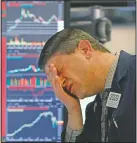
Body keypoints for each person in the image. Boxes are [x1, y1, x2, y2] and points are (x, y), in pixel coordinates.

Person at [38, 28, 136, 142]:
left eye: (59, 71)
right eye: (54, 79)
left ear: (85, 49)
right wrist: (73, 109)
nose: (60, 83)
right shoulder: (95, 110)